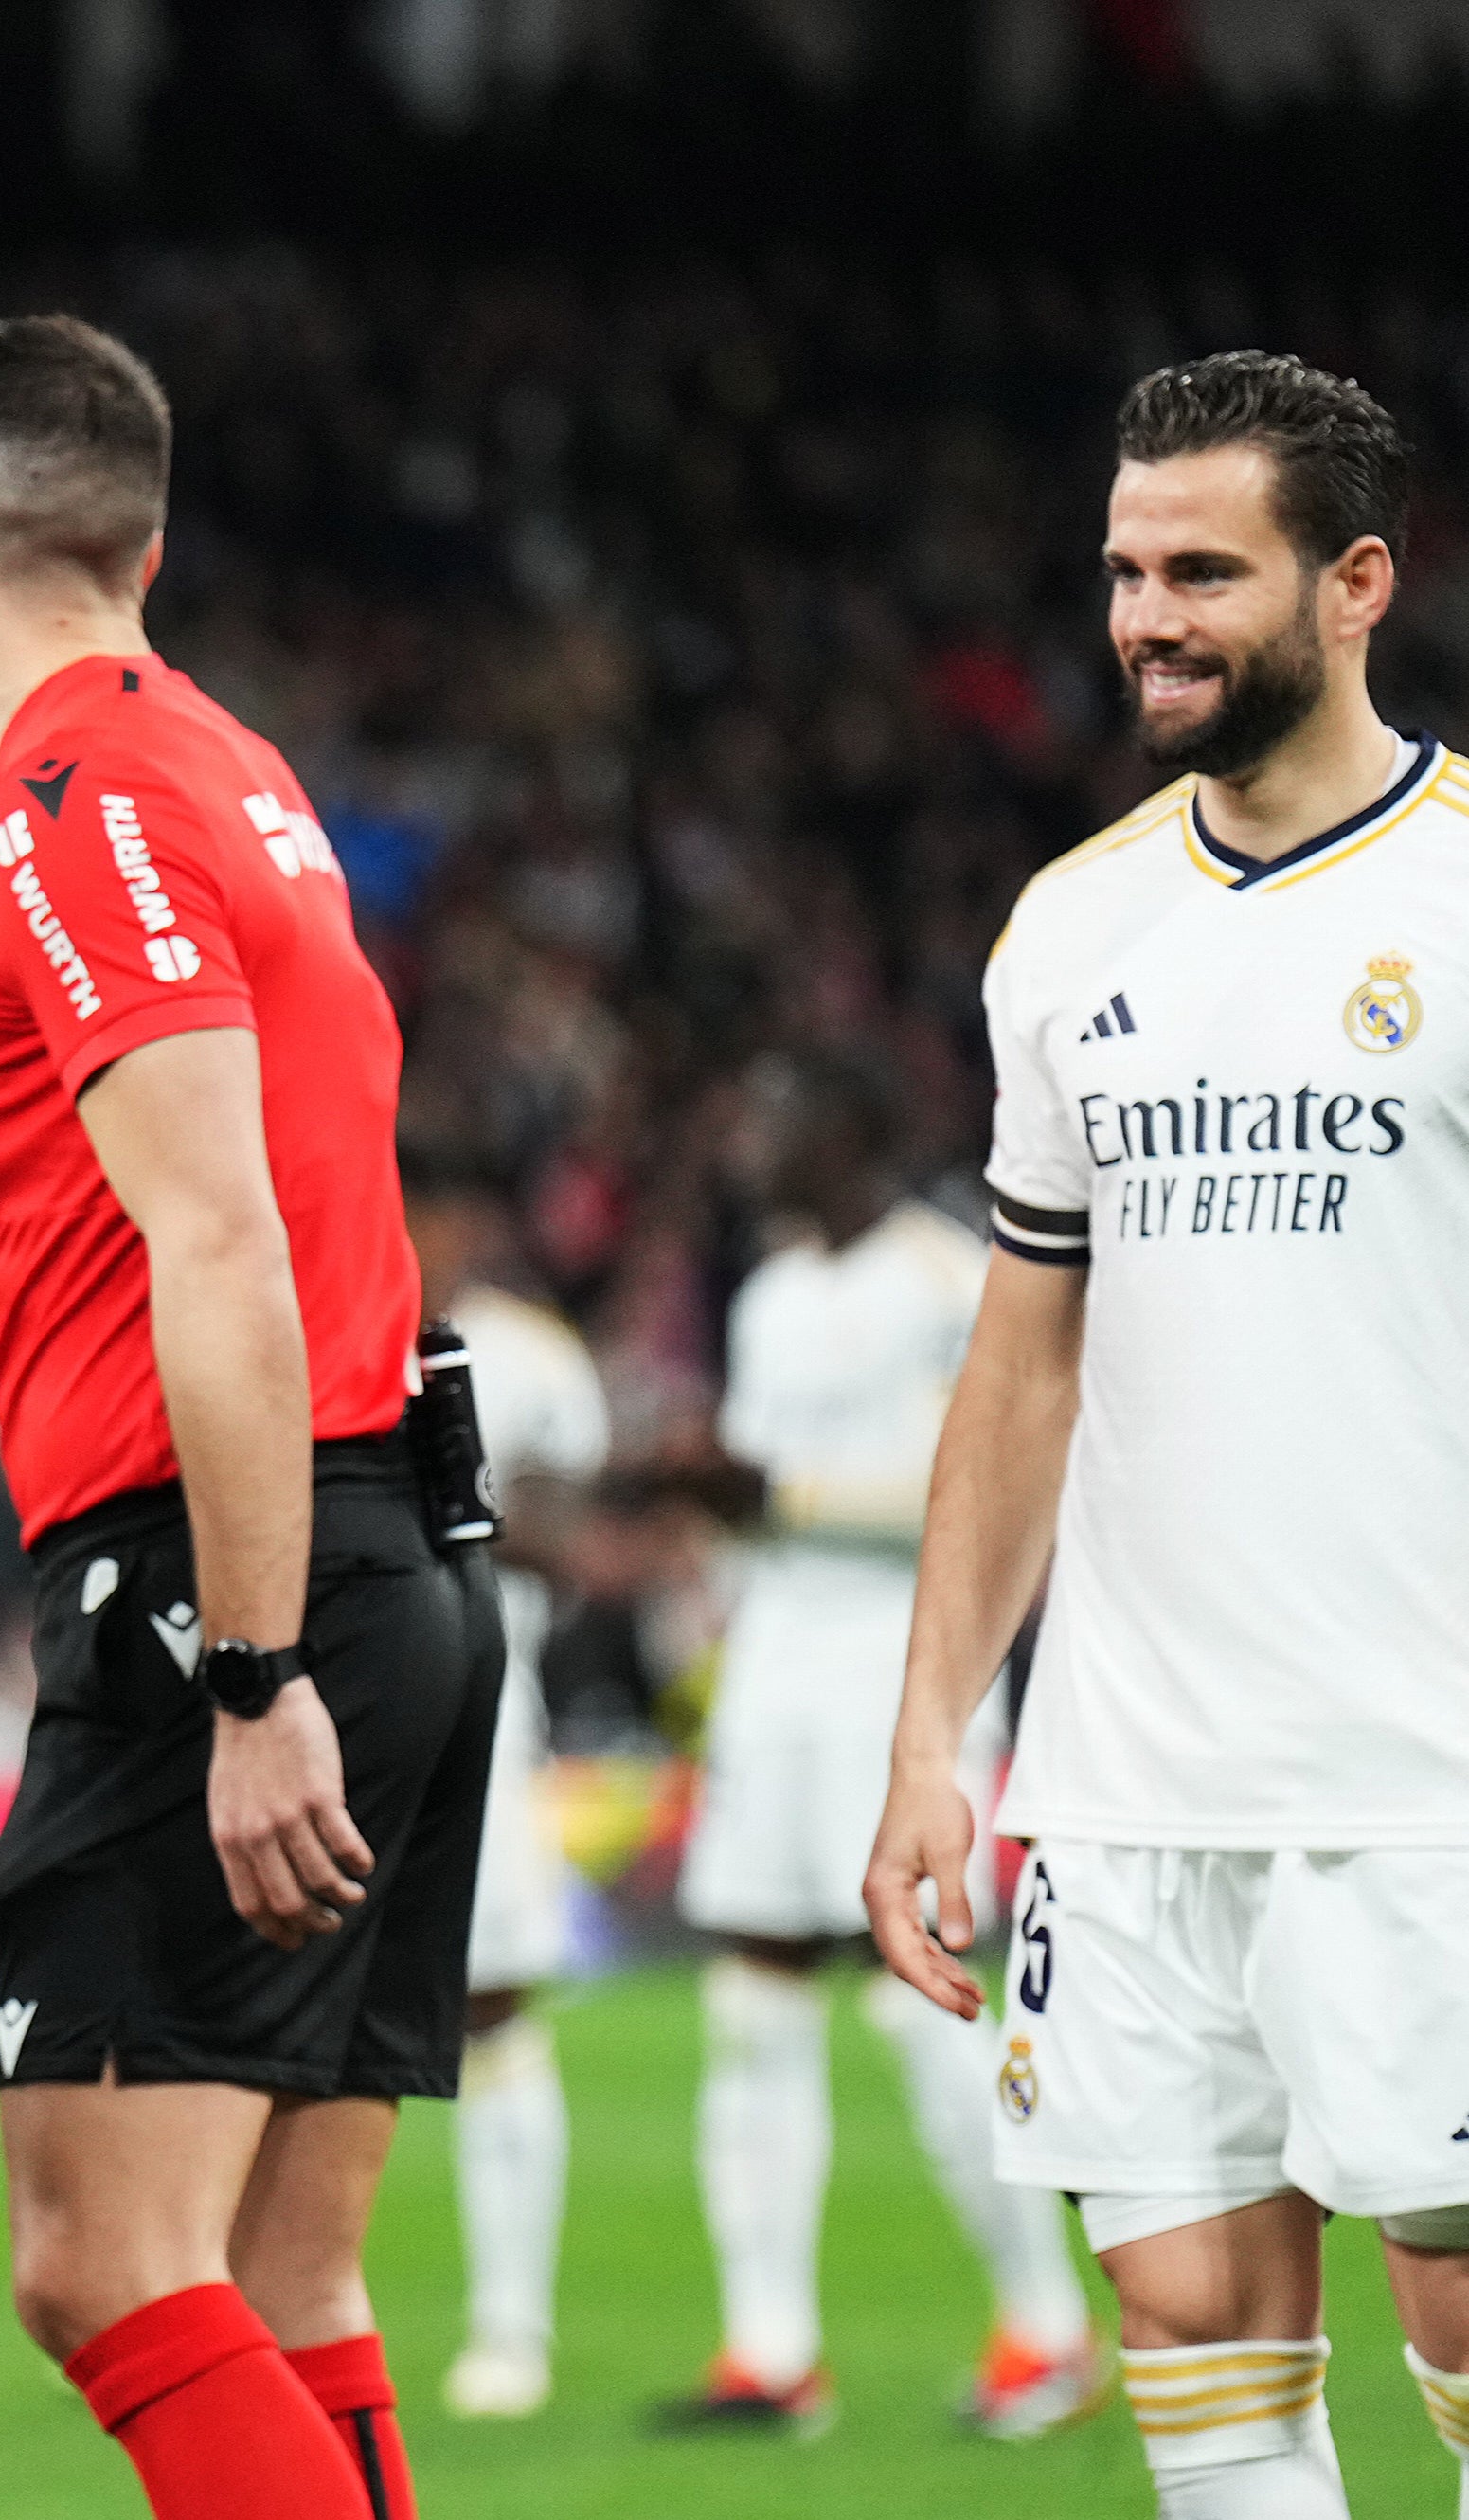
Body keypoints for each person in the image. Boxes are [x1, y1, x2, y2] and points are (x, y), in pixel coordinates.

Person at [0, 314, 496, 2520]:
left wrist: (252, 1673)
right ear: (145, 543)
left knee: (100, 2264)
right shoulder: (212, 772)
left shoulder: (69, 812)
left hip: (227, 1584)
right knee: (283, 2271)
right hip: (394, 1552)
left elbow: (222, 1236)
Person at [870, 350, 1469, 2520]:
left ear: (1355, 583)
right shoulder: (1074, 926)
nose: (1145, 616)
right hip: (1123, 1790)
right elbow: (1023, 1356)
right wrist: (932, 1730)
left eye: (1203, 569)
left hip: (1425, 1775)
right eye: (1124, 570)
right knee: (1197, 2333)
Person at [662, 1053, 1095, 2438]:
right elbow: (760, 1496)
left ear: (851, 1127)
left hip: (905, 1673)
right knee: (753, 1999)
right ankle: (770, 2353)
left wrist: (769, 1490)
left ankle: (1046, 2330)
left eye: (776, 1113)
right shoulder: (774, 1293)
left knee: (925, 2002)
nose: (750, 1138)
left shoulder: (944, 1278)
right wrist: (720, 1497)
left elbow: (987, 1492)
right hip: (777, 1667)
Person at [397, 1149, 609, 2423]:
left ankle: (509, 2331)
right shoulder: (302, 1302)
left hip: (480, 1694)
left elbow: (568, 1537)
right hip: (319, 1699)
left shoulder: (528, 1357)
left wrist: (427, 1496)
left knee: (492, 2008)